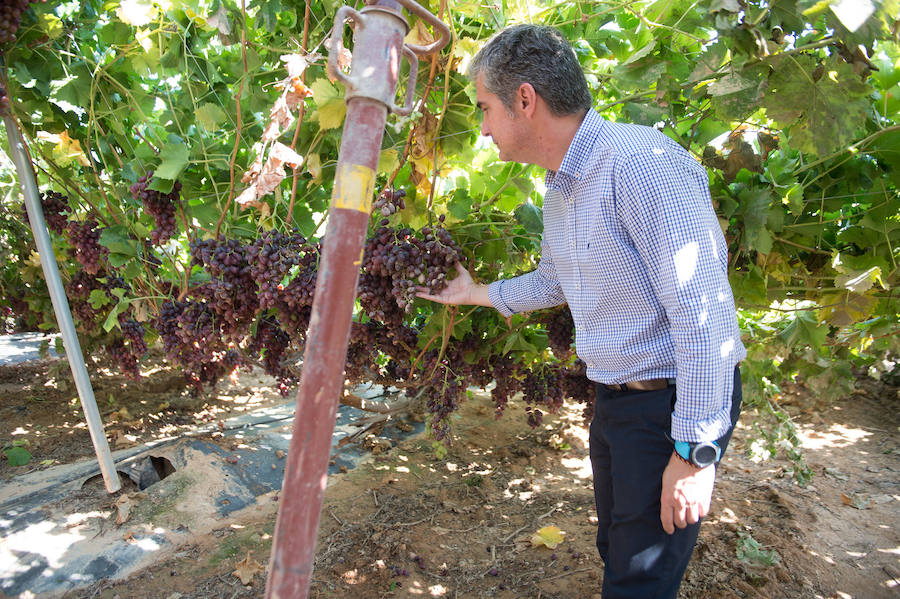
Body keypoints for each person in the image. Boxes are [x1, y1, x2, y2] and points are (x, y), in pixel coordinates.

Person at [416, 24, 746, 599]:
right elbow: (556, 278)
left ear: (525, 99)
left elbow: (704, 315)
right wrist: (477, 294)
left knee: (639, 580)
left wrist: (694, 452)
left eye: (486, 109)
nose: (485, 127)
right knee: (616, 549)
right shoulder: (562, 185)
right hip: (617, 399)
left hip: (671, 404)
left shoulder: (640, 165)